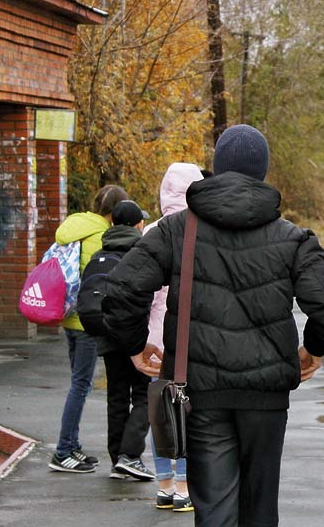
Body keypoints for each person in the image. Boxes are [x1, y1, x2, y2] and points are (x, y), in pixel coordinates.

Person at [102, 125, 324, 526]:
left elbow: (121, 290)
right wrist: (314, 348)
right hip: (267, 397)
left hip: (200, 392)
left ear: (216, 168)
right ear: (263, 172)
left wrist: (135, 346)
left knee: (214, 510)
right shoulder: (290, 237)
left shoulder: (175, 230)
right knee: (260, 507)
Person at [48, 184, 127, 473]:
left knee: (77, 382)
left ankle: (73, 445)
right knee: (80, 385)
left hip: (69, 316)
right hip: (87, 320)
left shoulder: (74, 225)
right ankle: (63, 450)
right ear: (116, 212)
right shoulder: (102, 236)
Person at [78, 200, 156, 481]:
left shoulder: (100, 252)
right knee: (146, 394)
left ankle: (117, 461)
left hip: (107, 332)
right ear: (138, 225)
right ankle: (131, 455)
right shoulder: (142, 253)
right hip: (136, 333)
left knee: (117, 396)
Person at [144, 162, 204, 512]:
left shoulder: (153, 230)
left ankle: (164, 484)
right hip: (193, 338)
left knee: (160, 412)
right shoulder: (204, 229)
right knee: (189, 413)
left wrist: (140, 339)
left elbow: (142, 291)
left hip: (157, 339)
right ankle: (185, 484)